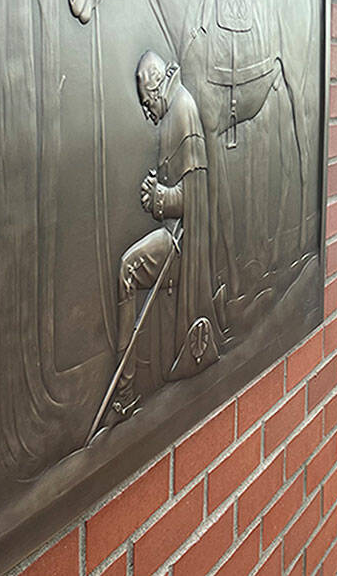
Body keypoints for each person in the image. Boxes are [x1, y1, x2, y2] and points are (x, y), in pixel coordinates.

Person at [106, 51, 221, 421]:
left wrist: (160, 199)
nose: (145, 112)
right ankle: (127, 389)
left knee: (127, 268)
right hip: (170, 233)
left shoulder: (183, 112)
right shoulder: (174, 110)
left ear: (156, 88)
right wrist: (155, 194)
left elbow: (193, 198)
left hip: (182, 245)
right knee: (128, 269)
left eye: (146, 102)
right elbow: (175, 189)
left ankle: (124, 392)